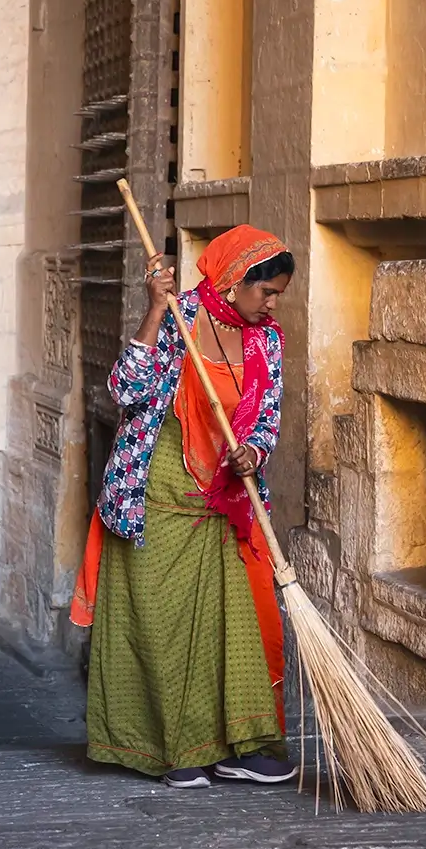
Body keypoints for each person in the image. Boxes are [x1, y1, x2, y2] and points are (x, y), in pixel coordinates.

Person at [71, 226, 297, 788]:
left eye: (277, 296)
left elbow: (266, 416)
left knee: (232, 628)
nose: (271, 305)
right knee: (165, 626)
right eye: (266, 292)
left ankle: (238, 745)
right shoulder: (177, 316)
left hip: (222, 501)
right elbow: (126, 391)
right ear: (234, 279)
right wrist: (152, 310)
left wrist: (252, 450)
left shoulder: (266, 341)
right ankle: (175, 749)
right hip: (156, 496)